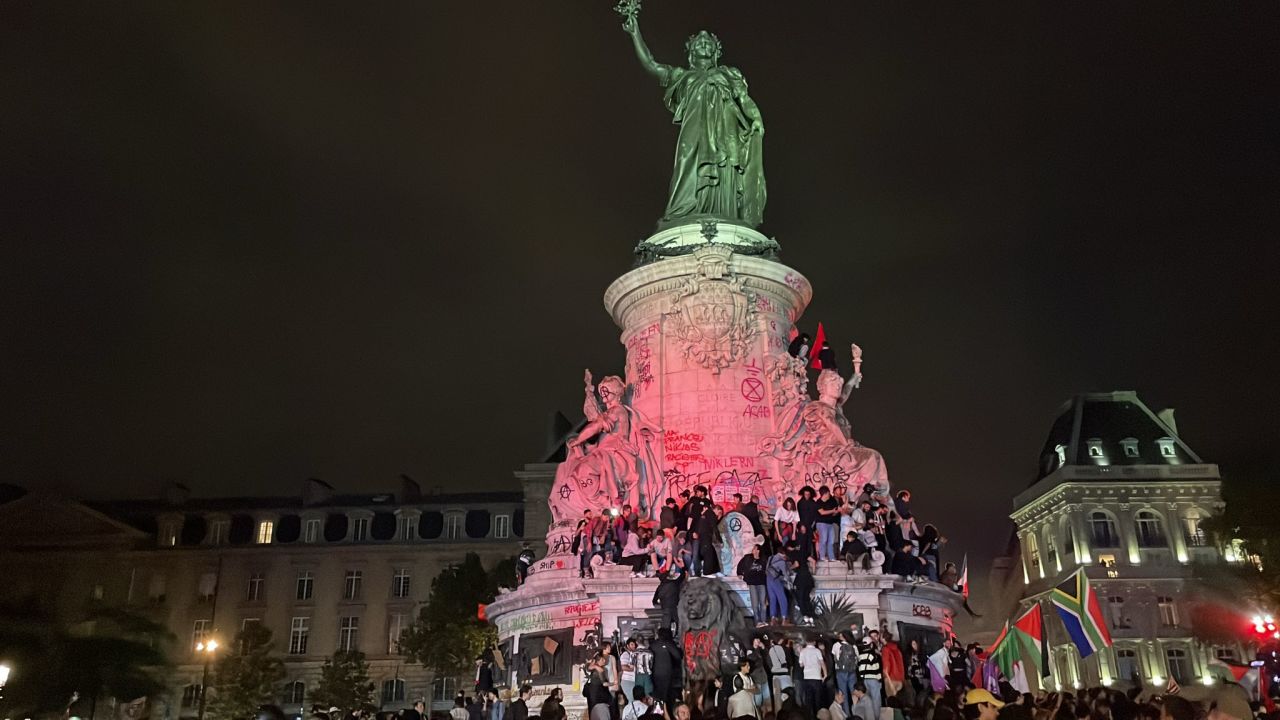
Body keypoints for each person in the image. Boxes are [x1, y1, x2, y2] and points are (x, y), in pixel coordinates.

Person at [620, 12, 766, 229]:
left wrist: (756, 118)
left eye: (708, 42)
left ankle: (724, 214)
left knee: (725, 168)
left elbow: (744, 99)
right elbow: (651, 64)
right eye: (699, 42)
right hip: (694, 130)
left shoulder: (729, 73)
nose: (704, 44)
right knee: (686, 162)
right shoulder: (682, 76)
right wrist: (635, 33)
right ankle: (682, 212)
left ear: (716, 51)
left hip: (726, 130)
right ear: (691, 50)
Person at [651, 627, 683, 710]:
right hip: (667, 673)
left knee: (657, 692)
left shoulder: (653, 645)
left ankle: (658, 710)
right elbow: (678, 656)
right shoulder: (668, 644)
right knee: (666, 693)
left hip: (655, 673)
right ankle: (665, 710)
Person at [739, 543, 769, 625]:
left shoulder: (763, 559)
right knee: (755, 603)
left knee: (763, 603)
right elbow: (740, 564)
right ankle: (757, 621)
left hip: (761, 583)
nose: (753, 550)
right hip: (752, 583)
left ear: (758, 550)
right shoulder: (748, 558)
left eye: (755, 548)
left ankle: (764, 620)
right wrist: (740, 573)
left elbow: (767, 570)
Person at [856, 633, 883, 720]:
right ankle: (876, 718)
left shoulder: (860, 656)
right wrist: (880, 680)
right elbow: (876, 668)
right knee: (876, 701)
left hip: (865, 681)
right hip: (874, 680)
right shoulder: (873, 655)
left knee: (868, 701)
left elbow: (860, 669)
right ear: (871, 644)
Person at [833, 631, 859, 718]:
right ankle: (856, 713)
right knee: (854, 693)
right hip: (852, 671)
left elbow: (835, 657)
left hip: (840, 672)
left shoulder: (837, 645)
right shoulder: (854, 646)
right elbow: (857, 658)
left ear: (843, 637)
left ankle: (846, 715)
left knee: (843, 694)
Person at [799, 638, 827, 711]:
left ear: (806, 642)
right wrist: (825, 674)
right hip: (816, 677)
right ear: (814, 642)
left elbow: (801, 665)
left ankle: (810, 716)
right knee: (818, 699)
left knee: (809, 699)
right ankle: (818, 714)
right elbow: (822, 663)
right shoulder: (817, 651)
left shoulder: (802, 651)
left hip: (807, 677)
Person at [815, 485, 841, 561]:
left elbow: (833, 513)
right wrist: (833, 511)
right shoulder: (818, 502)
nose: (829, 494)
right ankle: (822, 556)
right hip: (821, 523)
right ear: (825, 493)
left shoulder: (831, 501)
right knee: (823, 540)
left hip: (830, 523)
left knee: (831, 541)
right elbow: (822, 512)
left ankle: (831, 556)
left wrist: (837, 511)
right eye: (828, 493)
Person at [766, 545, 791, 624]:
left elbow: (766, 569)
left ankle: (773, 619)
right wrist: (788, 581)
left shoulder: (770, 558)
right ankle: (784, 618)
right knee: (782, 598)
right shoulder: (782, 562)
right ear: (784, 553)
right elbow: (785, 574)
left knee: (772, 598)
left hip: (768, 579)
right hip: (775, 579)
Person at [621, 638, 640, 702]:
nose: (634, 646)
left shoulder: (634, 654)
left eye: (634, 644)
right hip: (627, 681)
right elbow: (623, 667)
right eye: (632, 644)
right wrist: (633, 669)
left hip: (633, 680)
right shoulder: (626, 654)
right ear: (627, 646)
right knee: (632, 700)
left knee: (634, 700)